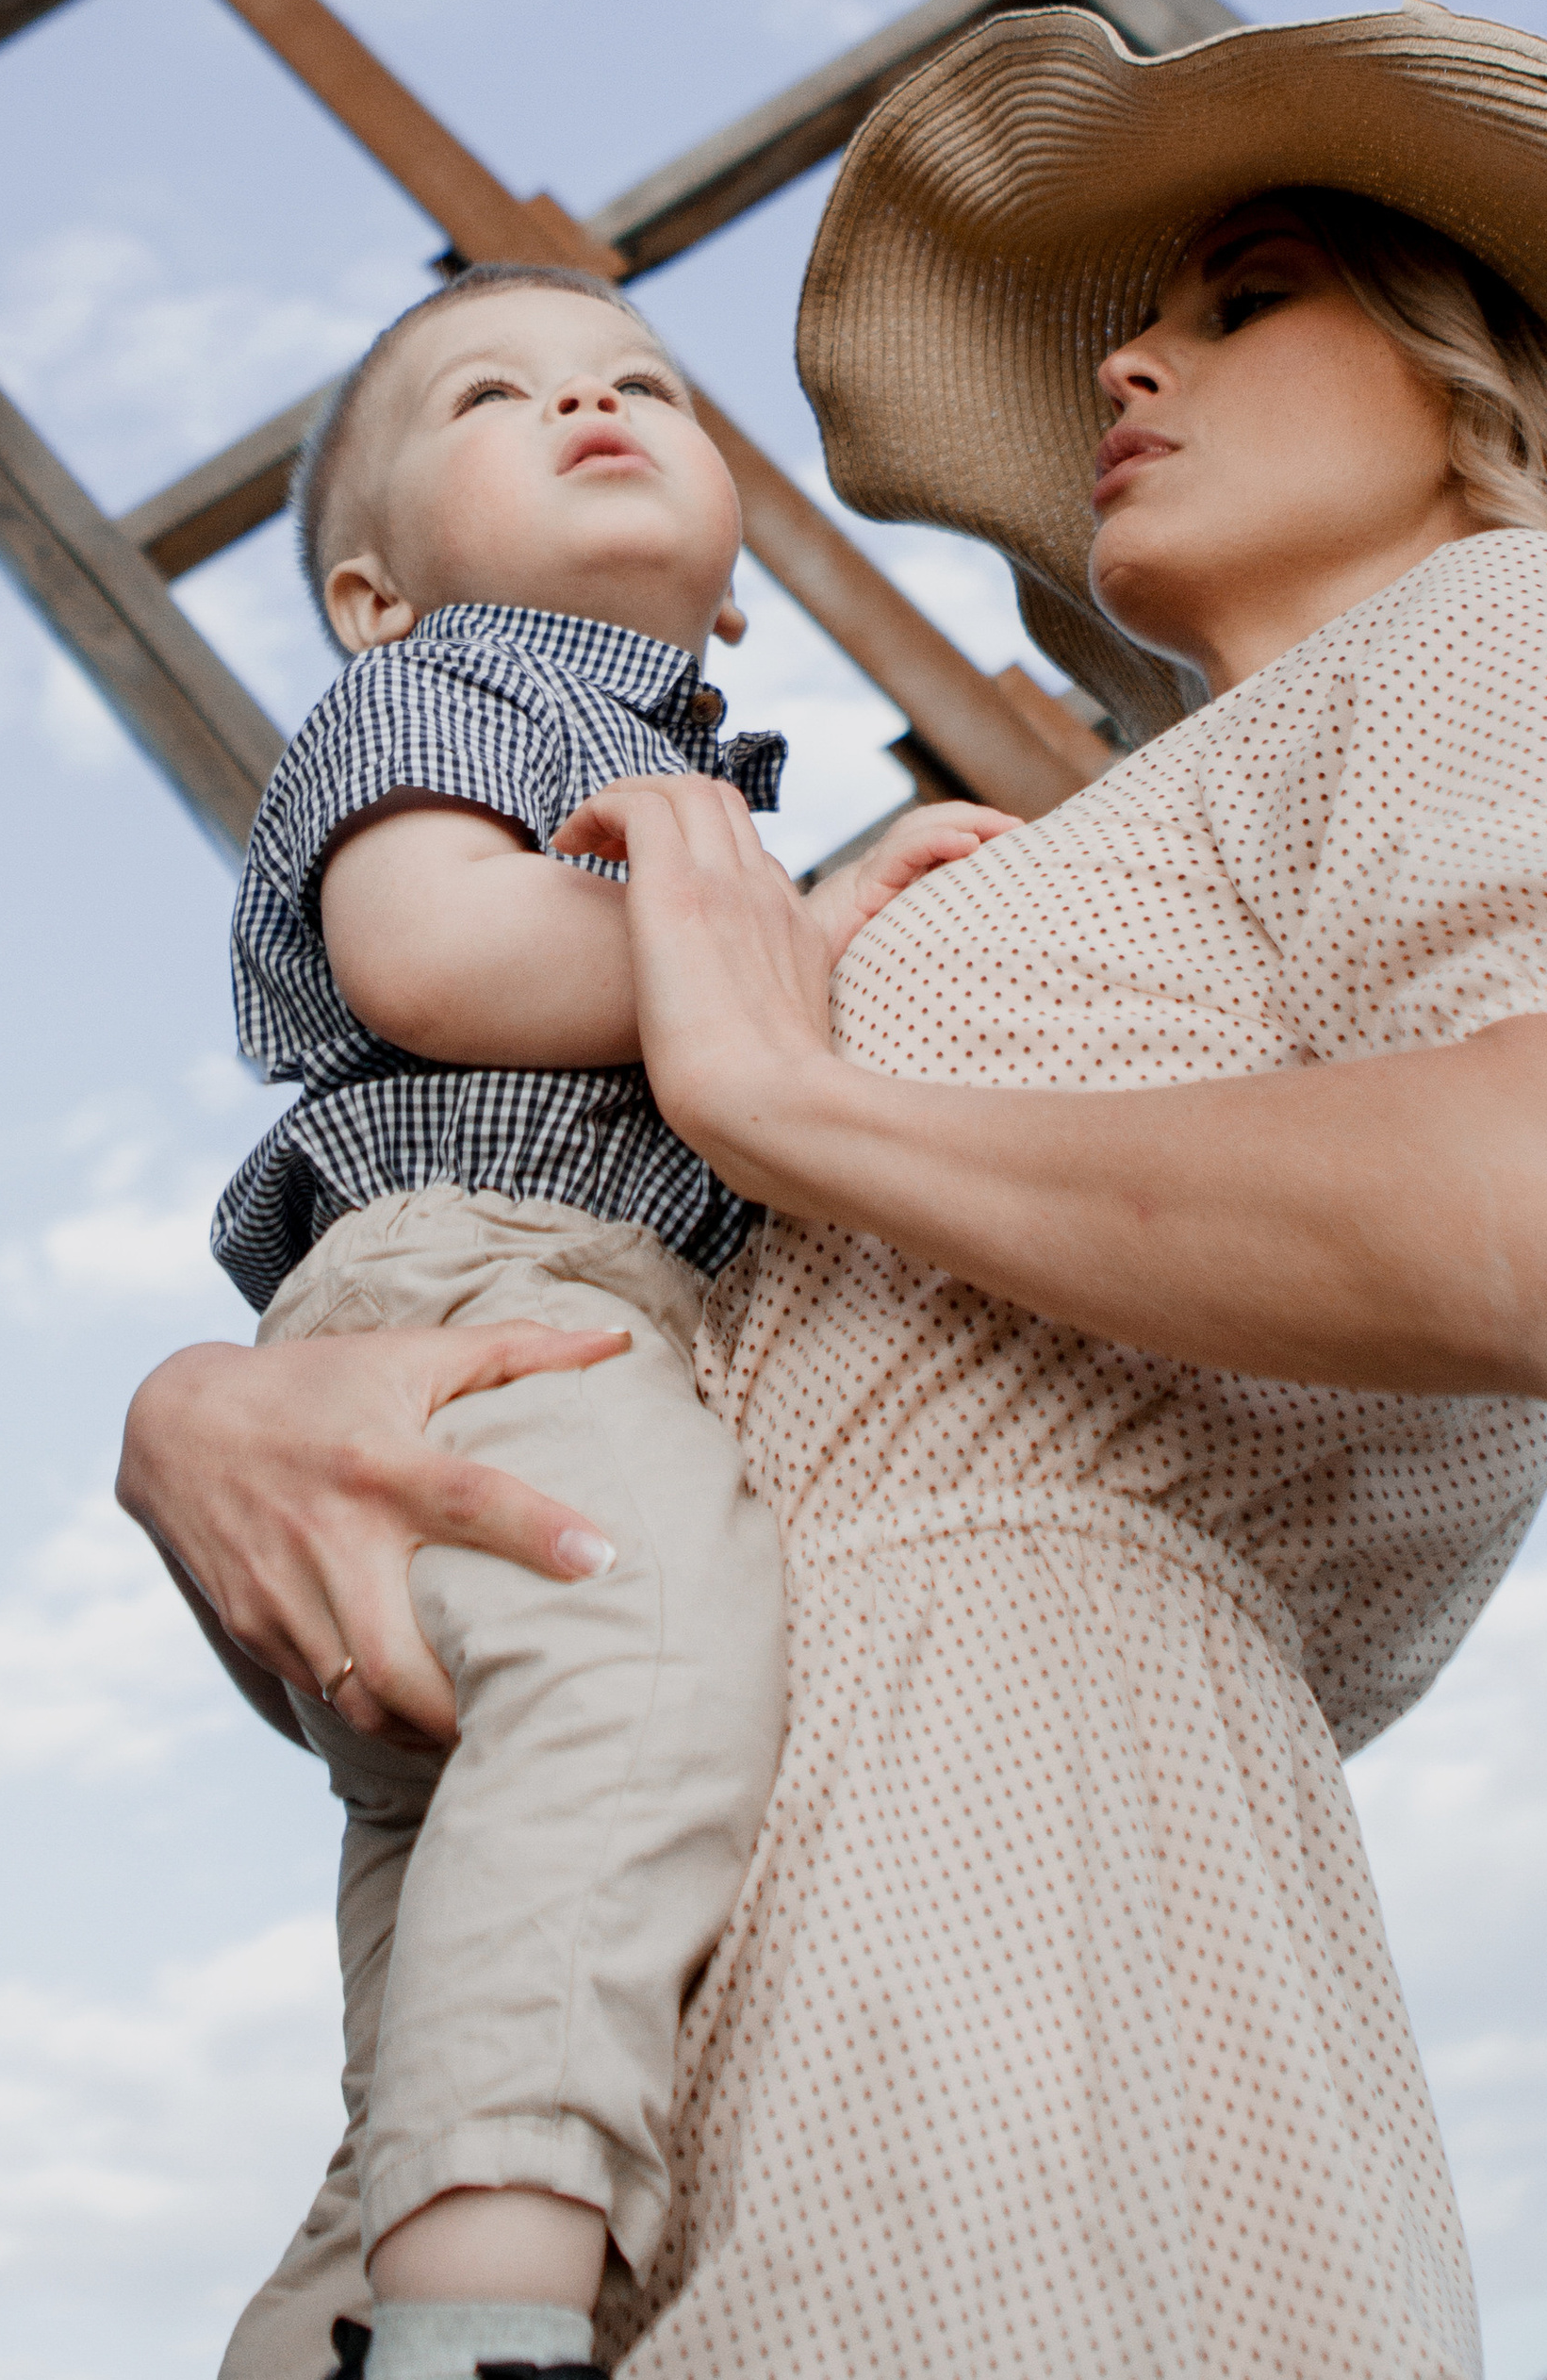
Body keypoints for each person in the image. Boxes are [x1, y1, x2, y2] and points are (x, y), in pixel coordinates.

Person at [122, 3, 1547, 2379]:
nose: (1125, 360)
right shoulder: (1114, 851)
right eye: (1130, 316)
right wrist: (212, 1404)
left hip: (992, 1937)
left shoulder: (1514, 630)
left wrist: (793, 1095)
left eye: (1239, 296)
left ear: (1476, 389)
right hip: (621, 1935)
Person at [163, 258, 1014, 2380]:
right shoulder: (453, 691)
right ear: (371, 598)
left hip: (543, 1315)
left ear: (734, 596)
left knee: (456, 1945)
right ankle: (485, 2331)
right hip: (487, 1289)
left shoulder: (673, 759)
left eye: (641, 379)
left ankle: (361, 2313)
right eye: (491, 395)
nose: (588, 404)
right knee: (639, 1638)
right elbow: (434, 957)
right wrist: (790, 940)